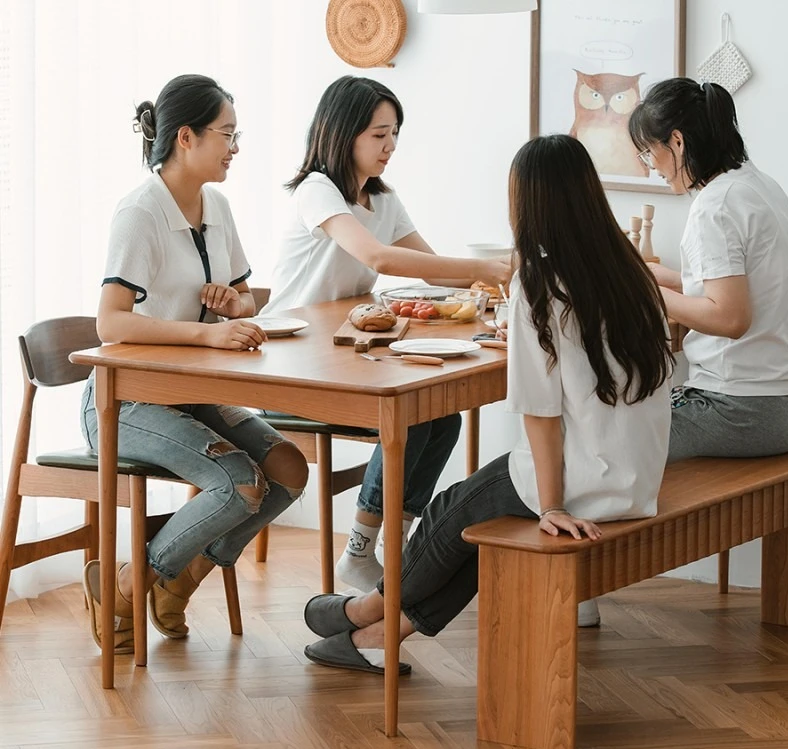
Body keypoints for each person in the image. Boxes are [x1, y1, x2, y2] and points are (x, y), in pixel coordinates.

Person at [299, 134, 674, 674]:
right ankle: (379, 636)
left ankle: (365, 608)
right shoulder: (634, 273)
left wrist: (551, 509)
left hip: (583, 480)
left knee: (449, 515)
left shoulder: (541, 285)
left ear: (528, 205)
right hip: (638, 478)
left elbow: (541, 417)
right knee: (478, 535)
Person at [80, 74, 309, 654]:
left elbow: (248, 295)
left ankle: (178, 579)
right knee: (238, 484)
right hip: (125, 401)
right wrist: (205, 339)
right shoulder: (139, 212)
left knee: (287, 468)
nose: (235, 147)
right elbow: (110, 322)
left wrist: (237, 304)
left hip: (188, 392)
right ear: (186, 136)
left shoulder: (218, 205)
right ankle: (127, 585)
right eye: (226, 134)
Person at [262, 76, 511, 592]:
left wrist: (503, 265)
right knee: (414, 412)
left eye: (394, 133)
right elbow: (378, 257)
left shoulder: (382, 199)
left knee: (441, 414)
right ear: (343, 132)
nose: (390, 146)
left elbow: (435, 268)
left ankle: (392, 545)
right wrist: (485, 266)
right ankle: (360, 549)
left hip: (340, 354)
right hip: (289, 362)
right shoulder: (318, 190)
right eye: (379, 135)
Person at [628, 78, 788, 462]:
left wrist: (648, 292)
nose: (650, 167)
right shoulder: (757, 185)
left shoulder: (715, 206)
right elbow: (751, 284)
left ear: (676, 141)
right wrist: (669, 280)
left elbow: (731, 318)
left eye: (647, 153)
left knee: (589, 447)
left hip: (740, 409)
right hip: (787, 401)